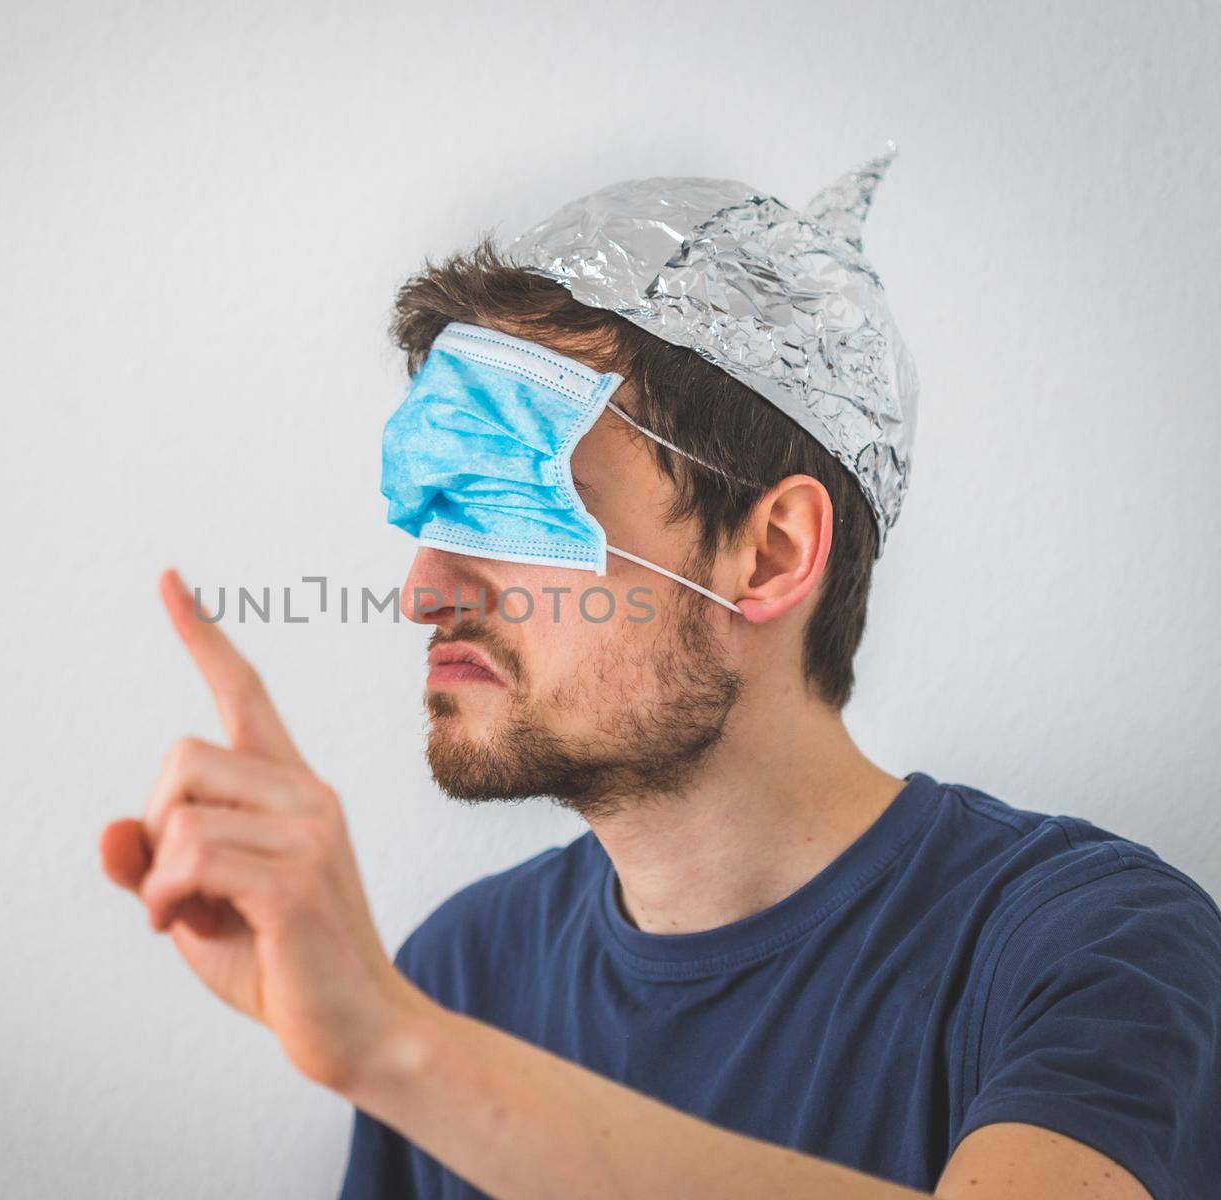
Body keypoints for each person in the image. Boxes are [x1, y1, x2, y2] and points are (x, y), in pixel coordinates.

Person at [98, 153, 1221, 1199]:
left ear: (770, 552)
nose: (423, 591)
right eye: (432, 506)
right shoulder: (463, 970)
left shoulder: (1088, 946)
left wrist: (395, 1047)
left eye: (507, 505)